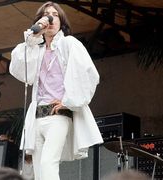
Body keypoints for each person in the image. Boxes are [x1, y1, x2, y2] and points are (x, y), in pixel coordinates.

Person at [9, 1, 103, 180]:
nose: (50, 19)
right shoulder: (36, 50)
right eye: (46, 15)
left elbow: (89, 74)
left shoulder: (69, 44)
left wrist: (68, 101)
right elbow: (18, 67)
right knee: (38, 169)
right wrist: (32, 38)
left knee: (48, 163)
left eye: (54, 15)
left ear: (61, 22)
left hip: (58, 115)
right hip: (37, 117)